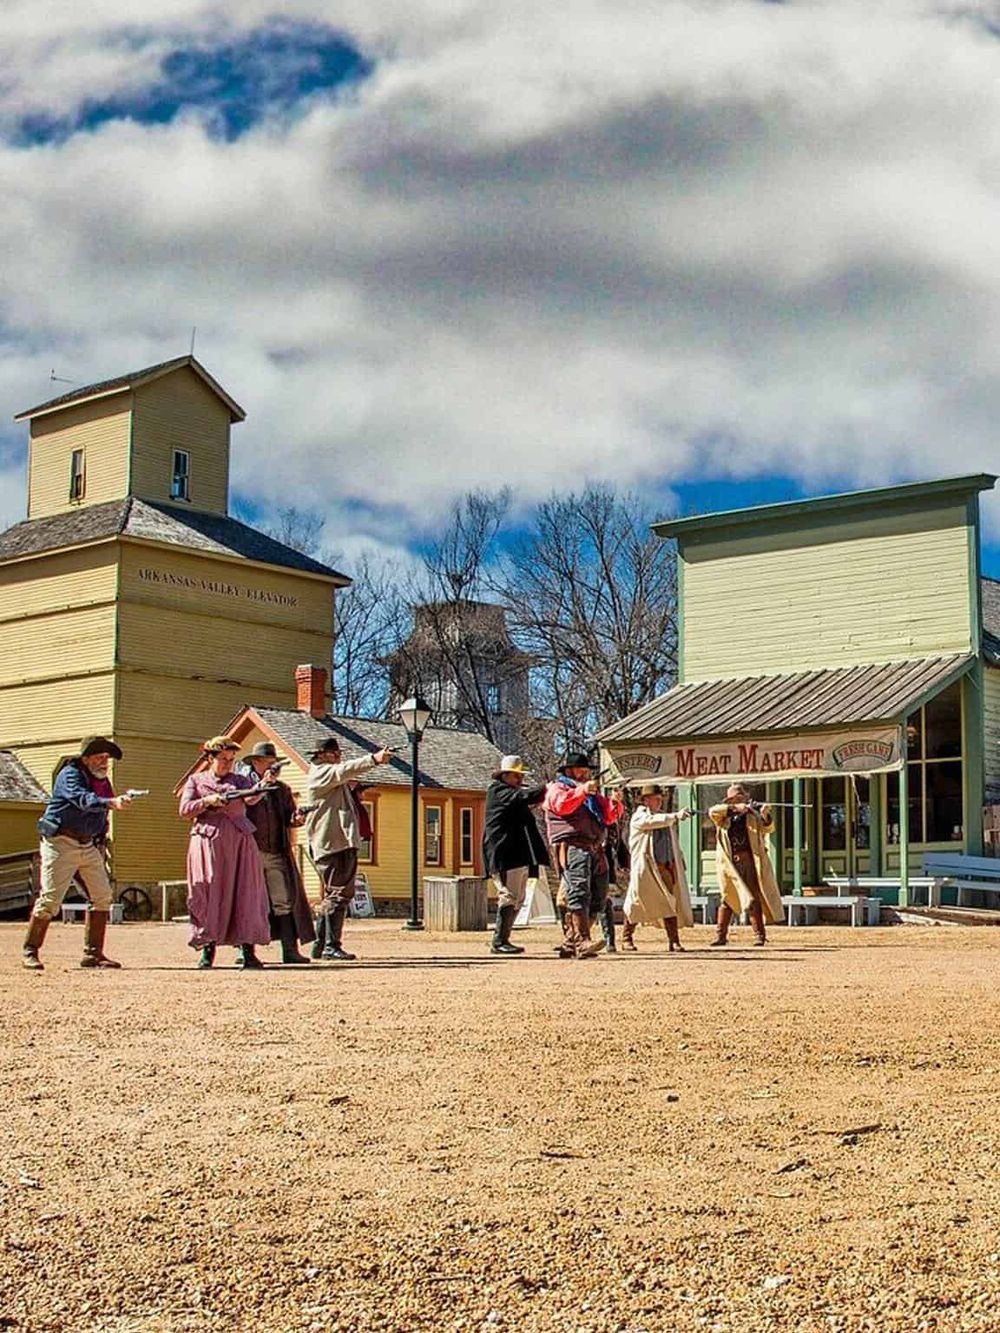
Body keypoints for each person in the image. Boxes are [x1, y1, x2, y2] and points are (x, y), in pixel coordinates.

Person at [22, 736, 134, 971]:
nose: (104, 762)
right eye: (99, 757)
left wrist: (101, 839)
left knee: (102, 896)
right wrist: (112, 802)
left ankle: (93, 954)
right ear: (86, 759)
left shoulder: (103, 782)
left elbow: (101, 815)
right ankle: (30, 951)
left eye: (106, 758)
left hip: (87, 844)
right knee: (51, 899)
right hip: (60, 842)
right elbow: (83, 800)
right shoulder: (70, 775)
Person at [179, 736, 274, 970]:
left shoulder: (240, 780)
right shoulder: (196, 780)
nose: (227, 764)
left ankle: (247, 949)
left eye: (231, 760)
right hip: (207, 840)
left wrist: (263, 783)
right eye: (222, 759)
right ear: (210, 758)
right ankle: (207, 949)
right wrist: (207, 801)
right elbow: (185, 810)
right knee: (207, 891)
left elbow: (251, 798)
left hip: (239, 840)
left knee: (246, 892)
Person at [304, 735, 391, 960]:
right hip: (332, 844)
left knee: (337, 894)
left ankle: (321, 943)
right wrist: (374, 759)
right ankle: (330, 945)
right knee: (339, 894)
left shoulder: (331, 778)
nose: (339, 758)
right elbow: (343, 771)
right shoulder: (320, 772)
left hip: (338, 843)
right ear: (322, 755)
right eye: (335, 754)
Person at [543, 752, 624, 959]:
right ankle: (582, 940)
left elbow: (609, 816)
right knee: (578, 892)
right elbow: (563, 805)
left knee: (599, 895)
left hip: (595, 848)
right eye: (582, 769)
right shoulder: (557, 788)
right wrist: (582, 791)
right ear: (570, 771)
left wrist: (615, 802)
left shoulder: (592, 796)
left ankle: (571, 942)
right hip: (573, 845)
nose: (586, 772)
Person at [243, 741, 315, 965]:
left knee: (282, 900)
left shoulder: (282, 789)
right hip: (249, 853)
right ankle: (246, 952)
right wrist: (264, 784)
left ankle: (289, 950)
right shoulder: (244, 784)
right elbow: (246, 803)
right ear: (256, 763)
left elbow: (289, 819)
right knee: (249, 902)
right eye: (268, 763)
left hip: (275, 852)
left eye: (275, 763)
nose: (273, 767)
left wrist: (299, 817)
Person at [482, 754, 550, 956]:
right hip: (504, 854)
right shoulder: (498, 791)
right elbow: (523, 797)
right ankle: (499, 941)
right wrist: (548, 787)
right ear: (504, 776)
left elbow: (525, 799)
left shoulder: (512, 795)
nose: (520, 779)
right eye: (515, 775)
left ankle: (504, 939)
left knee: (518, 898)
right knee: (509, 896)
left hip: (518, 855)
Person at [709, 783, 783, 947]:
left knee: (753, 898)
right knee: (727, 899)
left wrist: (764, 815)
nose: (738, 801)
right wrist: (736, 808)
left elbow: (768, 829)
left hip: (749, 861)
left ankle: (759, 935)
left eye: (740, 798)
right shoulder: (723, 816)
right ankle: (721, 935)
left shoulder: (752, 816)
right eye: (734, 799)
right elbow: (712, 811)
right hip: (730, 864)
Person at [622, 783, 694, 952]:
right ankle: (627, 938)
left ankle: (674, 941)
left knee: (670, 902)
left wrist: (679, 860)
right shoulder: (639, 816)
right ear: (646, 800)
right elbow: (651, 822)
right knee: (635, 901)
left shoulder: (664, 818)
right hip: (645, 868)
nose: (659, 802)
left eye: (660, 799)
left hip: (665, 867)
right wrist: (676, 815)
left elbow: (672, 842)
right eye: (656, 799)